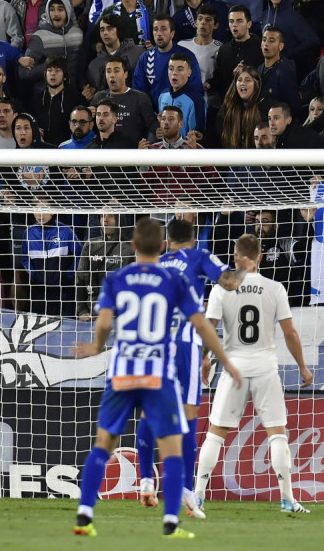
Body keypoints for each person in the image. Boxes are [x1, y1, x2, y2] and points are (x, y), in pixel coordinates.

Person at [71, 217, 241, 539]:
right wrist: (225, 360)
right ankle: (171, 521)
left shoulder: (116, 277)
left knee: (104, 443)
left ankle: (85, 513)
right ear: (160, 245)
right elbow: (203, 323)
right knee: (174, 445)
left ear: (133, 246)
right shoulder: (173, 280)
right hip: (157, 372)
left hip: (122, 370)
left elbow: (104, 321)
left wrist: (96, 345)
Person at [195, 234, 313, 514]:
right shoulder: (275, 288)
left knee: (216, 433)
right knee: (277, 434)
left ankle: (198, 496)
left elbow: (208, 327)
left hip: (233, 366)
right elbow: (290, 332)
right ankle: (287, 498)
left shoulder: (221, 289)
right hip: (265, 368)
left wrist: (205, 359)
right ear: (260, 257)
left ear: (235, 257)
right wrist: (303, 366)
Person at [133, 218, 243, 513]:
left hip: (153, 346)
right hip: (185, 345)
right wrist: (245, 266)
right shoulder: (199, 256)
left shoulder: (154, 263)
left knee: (148, 411)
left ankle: (145, 479)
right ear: (192, 240)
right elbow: (229, 281)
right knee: (189, 414)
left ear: (166, 241)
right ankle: (183, 487)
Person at [74, 211, 133, 320]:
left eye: (110, 216)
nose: (105, 219)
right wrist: (81, 310)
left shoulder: (131, 249)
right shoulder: (90, 246)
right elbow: (80, 280)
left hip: (121, 314)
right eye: (102, 216)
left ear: (120, 220)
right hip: (92, 314)